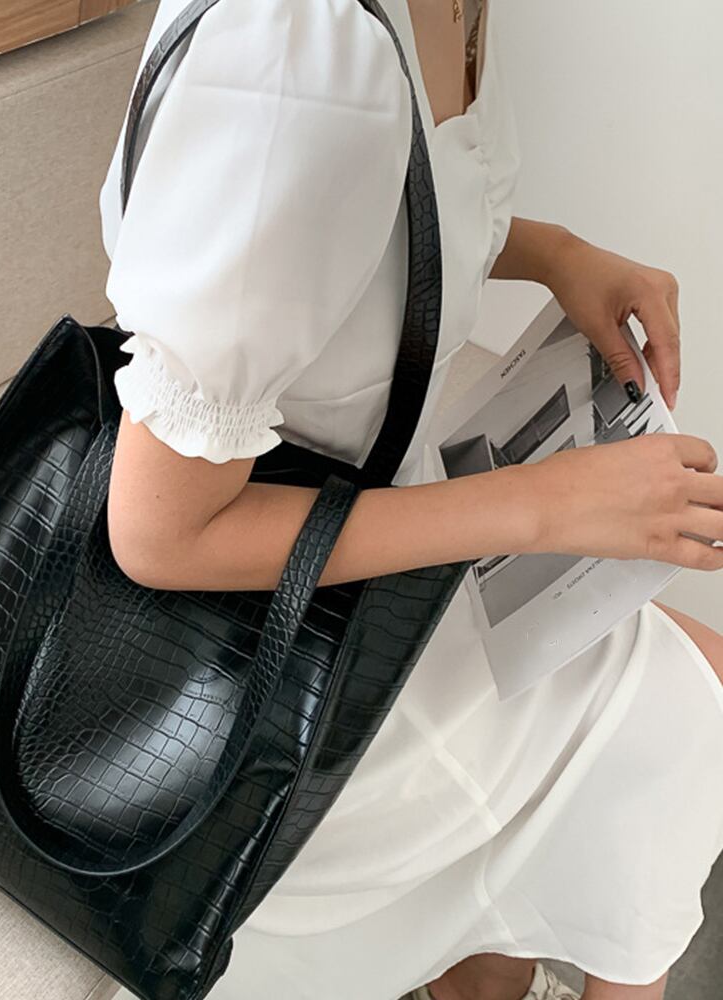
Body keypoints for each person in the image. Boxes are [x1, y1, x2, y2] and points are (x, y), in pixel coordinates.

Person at [96, 1, 723, 998]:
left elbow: (373, 210)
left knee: (661, 699)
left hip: (370, 553)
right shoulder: (303, 51)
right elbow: (158, 534)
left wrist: (555, 252)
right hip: (257, 653)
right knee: (685, 711)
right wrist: (542, 503)